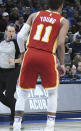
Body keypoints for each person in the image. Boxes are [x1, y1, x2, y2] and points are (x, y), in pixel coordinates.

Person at [13, 0, 69, 130]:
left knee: (22, 93)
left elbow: (20, 36)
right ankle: (49, 126)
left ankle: (16, 124)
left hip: (30, 53)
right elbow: (60, 43)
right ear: (61, 6)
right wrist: (62, 63)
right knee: (52, 93)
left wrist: (22, 52)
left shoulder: (34, 15)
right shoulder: (63, 21)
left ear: (47, 5)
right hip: (47, 56)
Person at [0, 24, 21, 125]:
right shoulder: (1, 42)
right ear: (6, 32)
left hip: (12, 72)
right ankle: (16, 107)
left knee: (9, 95)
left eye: (13, 31)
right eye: (10, 31)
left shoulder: (17, 43)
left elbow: (23, 58)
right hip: (1, 71)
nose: (12, 33)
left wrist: (14, 60)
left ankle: (14, 117)